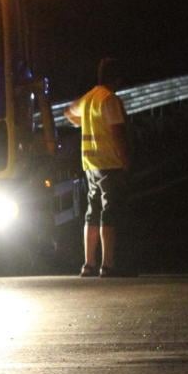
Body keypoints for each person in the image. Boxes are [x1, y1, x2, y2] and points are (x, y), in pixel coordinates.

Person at [64, 58, 131, 277]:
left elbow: (68, 112)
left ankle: (88, 264)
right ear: (116, 78)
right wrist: (125, 159)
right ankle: (108, 265)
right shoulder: (109, 99)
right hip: (109, 163)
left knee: (91, 213)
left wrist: (82, 122)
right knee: (109, 212)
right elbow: (117, 133)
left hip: (90, 165)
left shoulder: (89, 98)